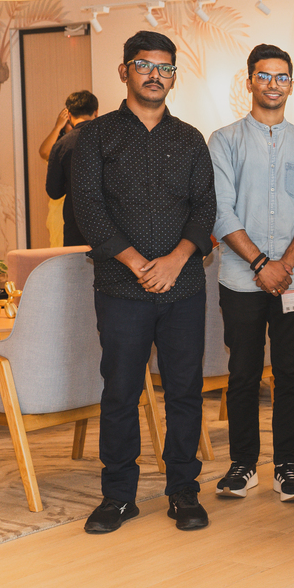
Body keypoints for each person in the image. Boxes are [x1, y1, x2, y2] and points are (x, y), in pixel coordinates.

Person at [71, 31, 216, 534]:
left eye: (164, 67)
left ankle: (183, 491)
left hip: (184, 287)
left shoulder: (190, 139)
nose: (155, 75)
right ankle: (118, 497)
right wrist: (138, 263)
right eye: (144, 65)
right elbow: (88, 207)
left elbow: (205, 209)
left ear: (174, 76)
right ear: (124, 71)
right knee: (121, 392)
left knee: (184, 392)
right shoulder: (96, 136)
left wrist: (175, 261)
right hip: (120, 287)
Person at [207, 43, 294, 502]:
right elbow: (220, 210)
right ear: (249, 81)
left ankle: (287, 467)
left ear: (291, 85)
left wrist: (284, 266)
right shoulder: (224, 140)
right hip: (241, 280)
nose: (273, 84)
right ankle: (243, 466)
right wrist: (261, 264)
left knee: (291, 374)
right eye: (264, 75)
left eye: (281, 77)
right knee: (243, 372)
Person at [42, 90, 99, 247]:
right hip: (112, 226)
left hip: (76, 223)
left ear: (69, 114)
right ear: (96, 111)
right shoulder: (112, 139)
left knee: (75, 263)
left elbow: (54, 191)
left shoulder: (62, 145)